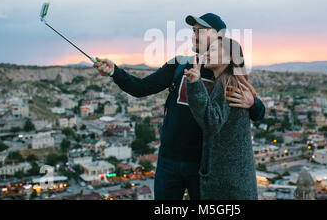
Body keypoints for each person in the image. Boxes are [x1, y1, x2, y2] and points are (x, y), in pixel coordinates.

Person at [93, 13, 265, 200]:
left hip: (203, 165)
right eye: (193, 30)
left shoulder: (225, 72)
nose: (195, 34)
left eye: (201, 31)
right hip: (169, 160)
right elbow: (141, 88)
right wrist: (114, 72)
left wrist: (253, 103)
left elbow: (255, 112)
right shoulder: (179, 64)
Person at [184, 36, 258, 200]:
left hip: (227, 181)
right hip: (235, 178)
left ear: (230, 58)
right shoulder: (233, 81)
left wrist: (195, 85)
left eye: (214, 50)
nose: (207, 54)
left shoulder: (226, 83)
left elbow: (211, 122)